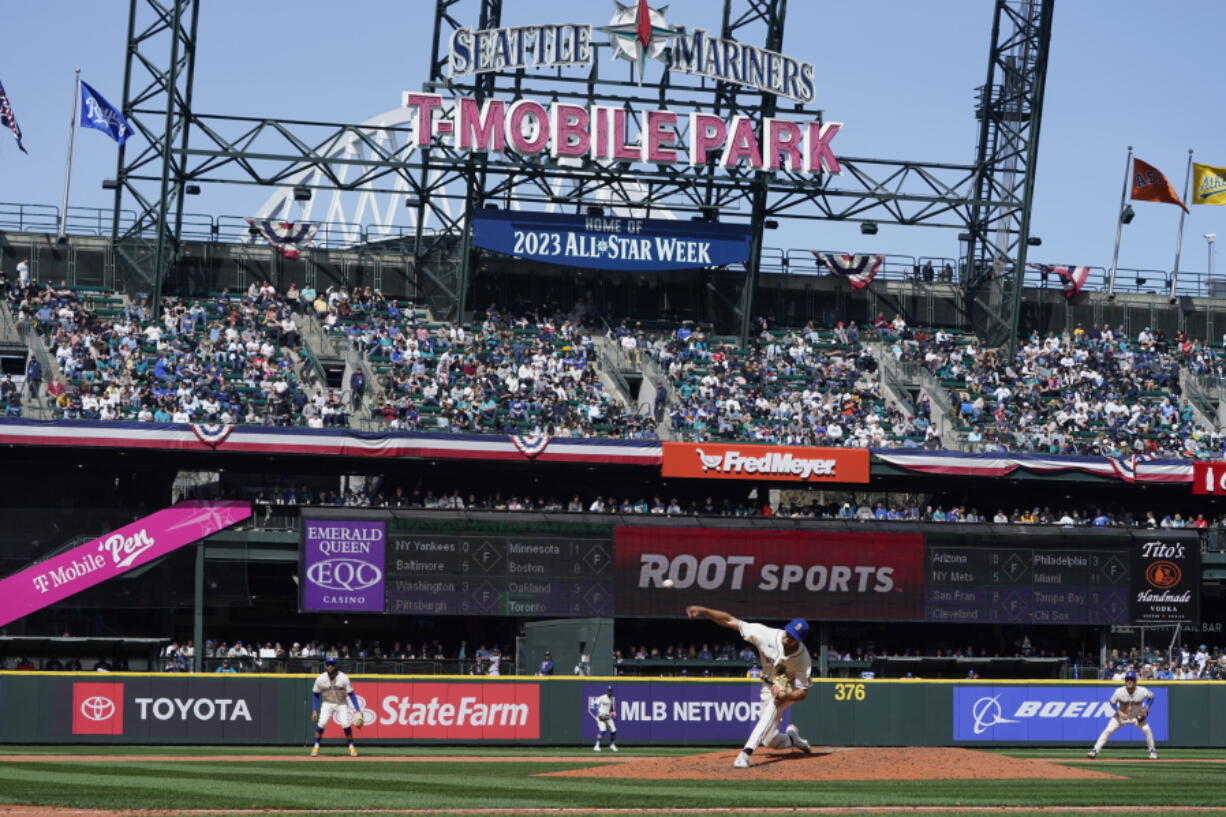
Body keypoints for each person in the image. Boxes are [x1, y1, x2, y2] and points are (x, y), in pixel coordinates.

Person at [686, 605, 813, 768]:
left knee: (772, 709)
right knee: (769, 740)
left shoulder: (803, 659)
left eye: (793, 637)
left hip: (786, 688)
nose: (788, 637)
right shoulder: (766, 634)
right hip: (768, 686)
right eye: (788, 632)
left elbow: (802, 693)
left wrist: (786, 695)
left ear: (800, 640)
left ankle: (745, 754)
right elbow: (730, 621)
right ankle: (792, 738)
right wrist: (704, 611)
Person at [1087, 670, 1157, 760]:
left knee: (1147, 729)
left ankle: (1152, 751)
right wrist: (1119, 712)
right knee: (1108, 730)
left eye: (1131, 679)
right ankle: (1095, 750)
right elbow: (1112, 702)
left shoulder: (1142, 691)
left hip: (1136, 716)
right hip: (1121, 716)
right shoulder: (1119, 691)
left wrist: (1147, 706)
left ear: (1135, 681)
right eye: (1127, 679)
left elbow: (1152, 696)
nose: (1129, 681)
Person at [310, 657, 361, 757]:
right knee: (322, 723)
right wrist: (314, 709)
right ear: (325, 666)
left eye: (332, 664)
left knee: (346, 723)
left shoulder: (343, 678)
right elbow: (316, 694)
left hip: (341, 703)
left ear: (336, 666)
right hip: (327, 703)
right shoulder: (320, 678)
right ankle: (316, 746)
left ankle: (351, 747)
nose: (330, 666)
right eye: (328, 664)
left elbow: (352, 694)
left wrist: (358, 710)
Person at [590, 685, 618, 752]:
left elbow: (611, 708)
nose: (609, 692)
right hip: (601, 715)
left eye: (610, 691)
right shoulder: (602, 697)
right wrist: (597, 714)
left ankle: (612, 745)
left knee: (614, 730)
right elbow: (594, 705)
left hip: (607, 716)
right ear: (607, 691)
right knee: (603, 730)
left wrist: (613, 712)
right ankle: (596, 746)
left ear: (612, 692)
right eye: (608, 691)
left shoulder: (611, 699)